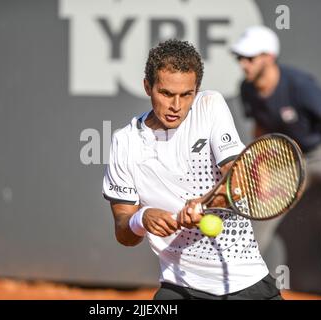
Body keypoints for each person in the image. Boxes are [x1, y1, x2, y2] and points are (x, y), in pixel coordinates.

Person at [102, 39, 282, 300]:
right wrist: (142, 218)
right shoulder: (124, 142)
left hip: (244, 281)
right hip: (179, 285)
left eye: (187, 94)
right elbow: (123, 232)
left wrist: (204, 203)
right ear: (147, 87)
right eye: (166, 94)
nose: (176, 106)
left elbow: (240, 181)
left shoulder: (210, 106)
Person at [231, 25, 321, 297]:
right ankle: (235, 285)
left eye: (250, 58)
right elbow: (261, 130)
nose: (243, 64)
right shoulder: (247, 89)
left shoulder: (298, 84)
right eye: (240, 58)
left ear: (269, 57)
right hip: (293, 160)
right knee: (259, 219)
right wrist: (262, 170)